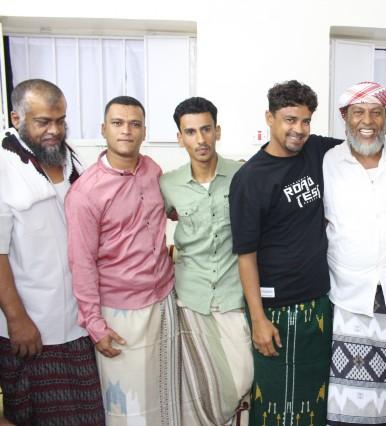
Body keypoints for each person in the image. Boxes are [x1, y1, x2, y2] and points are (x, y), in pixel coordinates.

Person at [230, 80, 386, 426]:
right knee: (275, 399)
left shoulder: (316, 151)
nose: (298, 129)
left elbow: (364, 133)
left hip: (319, 302)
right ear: (269, 118)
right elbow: (245, 255)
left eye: (305, 121)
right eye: (289, 120)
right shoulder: (250, 178)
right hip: (276, 308)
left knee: (315, 399)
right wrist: (258, 319)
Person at [65, 96, 179, 424]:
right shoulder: (85, 192)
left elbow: (167, 212)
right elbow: (82, 263)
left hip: (163, 301)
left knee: (165, 394)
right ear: (104, 129)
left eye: (134, 124)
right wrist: (94, 324)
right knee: (128, 407)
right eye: (117, 123)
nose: (126, 131)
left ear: (144, 131)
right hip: (119, 313)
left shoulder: (152, 170)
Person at [0, 79, 104, 425]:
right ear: (16, 118)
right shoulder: (4, 167)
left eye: (61, 120)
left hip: (78, 323)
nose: (55, 130)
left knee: (90, 415)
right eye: (43, 122)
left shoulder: (71, 158)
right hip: (33, 325)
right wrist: (17, 319)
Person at [323, 81, 386, 426]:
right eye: (358, 112)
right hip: (347, 297)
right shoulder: (327, 161)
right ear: (344, 117)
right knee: (345, 401)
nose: (367, 121)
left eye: (376, 113)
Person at [160, 97, 252, 425]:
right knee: (199, 388)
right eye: (190, 132)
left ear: (217, 131)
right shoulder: (168, 184)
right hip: (190, 300)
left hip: (233, 296)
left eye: (206, 129)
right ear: (180, 137)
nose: (200, 139)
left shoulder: (243, 175)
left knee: (242, 376)